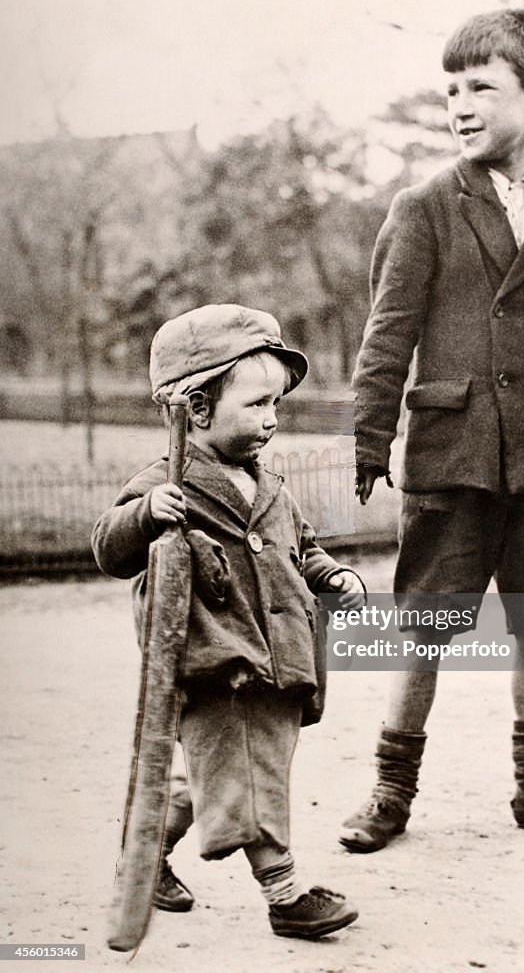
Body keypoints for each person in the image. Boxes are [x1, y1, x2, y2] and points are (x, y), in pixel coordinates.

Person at [340, 8, 524, 854]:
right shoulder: (426, 207)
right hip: (454, 456)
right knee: (427, 624)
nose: (460, 105)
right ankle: (389, 792)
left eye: (482, 87)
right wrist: (369, 437)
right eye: (451, 90)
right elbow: (386, 333)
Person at [92, 303, 364, 939]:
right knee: (249, 776)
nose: (271, 420)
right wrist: (146, 515)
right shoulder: (167, 484)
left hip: (280, 658)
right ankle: (286, 894)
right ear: (197, 411)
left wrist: (333, 577)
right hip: (218, 663)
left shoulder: (268, 484)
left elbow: (304, 547)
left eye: (276, 405)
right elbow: (109, 547)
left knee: (218, 775)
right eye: (256, 405)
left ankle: (144, 854)